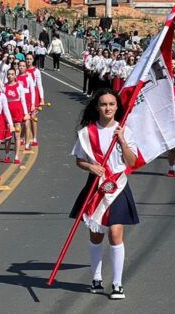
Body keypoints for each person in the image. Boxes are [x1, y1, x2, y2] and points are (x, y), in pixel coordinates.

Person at [69, 88, 139, 300]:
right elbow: (79, 160)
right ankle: (96, 277)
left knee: (115, 233)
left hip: (117, 186)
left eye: (111, 104)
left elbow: (132, 161)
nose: (108, 108)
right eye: (103, 104)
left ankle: (117, 283)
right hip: (96, 186)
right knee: (96, 234)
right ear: (97, 107)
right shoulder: (86, 133)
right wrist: (91, 168)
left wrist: (122, 141)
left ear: (117, 107)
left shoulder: (124, 130)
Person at [3, 69, 30, 164]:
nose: (10, 76)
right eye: (8, 74)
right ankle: (7, 155)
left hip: (17, 112)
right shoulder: (4, 87)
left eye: (12, 74)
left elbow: (23, 100)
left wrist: (26, 113)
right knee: (8, 136)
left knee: (17, 135)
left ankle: (16, 156)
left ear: (15, 76)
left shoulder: (19, 86)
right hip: (7, 113)